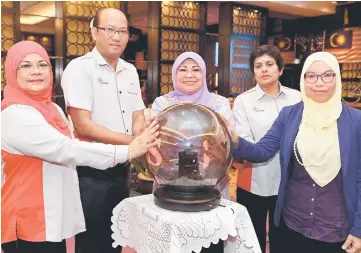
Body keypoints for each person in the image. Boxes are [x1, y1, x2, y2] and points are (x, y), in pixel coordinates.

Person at [1, 41, 158, 253]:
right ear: (11, 72)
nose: (36, 72)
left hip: (52, 216)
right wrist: (129, 150)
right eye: (26, 66)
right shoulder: (15, 114)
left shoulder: (52, 108)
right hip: (28, 219)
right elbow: (67, 149)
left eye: (42, 65)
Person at [226, 51, 361, 253]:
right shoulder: (290, 115)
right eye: (311, 76)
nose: (319, 82)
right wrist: (235, 139)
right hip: (292, 223)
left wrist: (358, 229)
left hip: (336, 227)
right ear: (303, 79)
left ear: (337, 78)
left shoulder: (355, 121)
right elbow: (262, 151)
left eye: (327, 75)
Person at [61, 8, 147, 253]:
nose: (116, 37)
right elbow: (83, 126)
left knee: (115, 238)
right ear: (93, 32)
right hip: (91, 171)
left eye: (122, 31)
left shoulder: (130, 71)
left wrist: (141, 131)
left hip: (123, 168)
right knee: (92, 242)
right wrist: (133, 142)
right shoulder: (79, 69)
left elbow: (137, 114)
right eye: (109, 30)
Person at [232, 45, 301, 253]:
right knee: (254, 241)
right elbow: (244, 143)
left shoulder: (297, 98)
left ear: (280, 69)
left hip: (289, 184)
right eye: (258, 66)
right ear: (253, 73)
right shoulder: (244, 101)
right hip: (253, 181)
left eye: (269, 64)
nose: (264, 69)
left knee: (284, 241)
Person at [151, 51, 233, 200]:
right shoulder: (162, 104)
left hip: (213, 182)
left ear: (204, 74)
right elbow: (154, 143)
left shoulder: (220, 103)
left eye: (196, 69)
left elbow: (229, 142)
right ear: (174, 74)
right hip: (169, 183)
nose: (189, 75)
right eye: (182, 70)